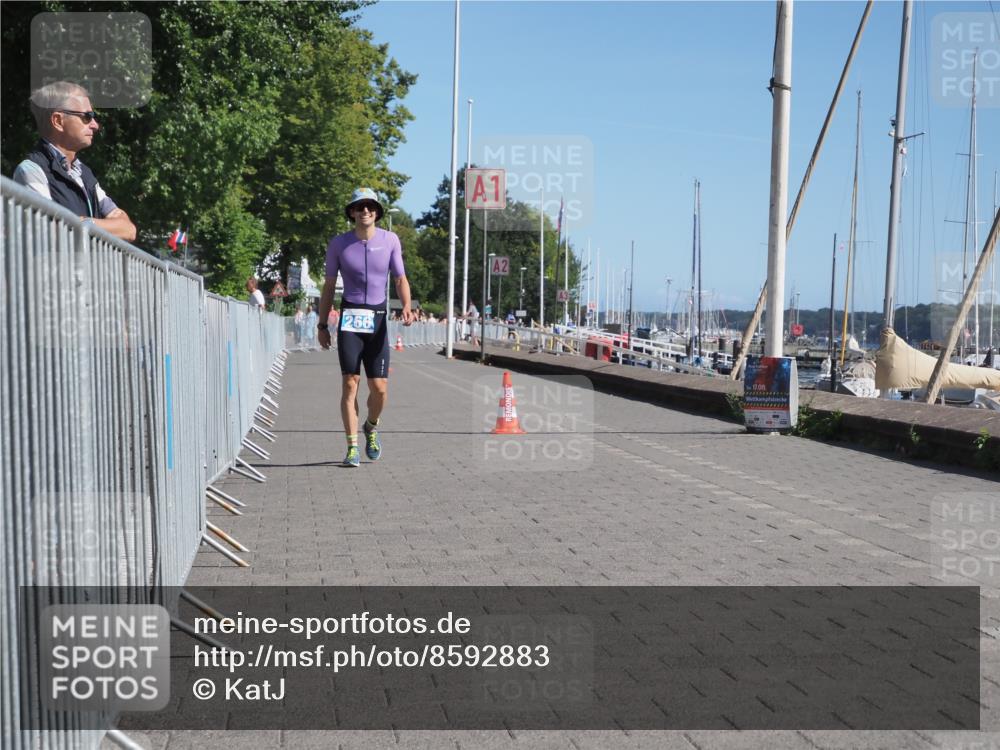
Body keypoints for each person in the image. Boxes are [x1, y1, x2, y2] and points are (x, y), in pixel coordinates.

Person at [318, 188, 413, 467]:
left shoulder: (390, 240)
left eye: (370, 206)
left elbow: (400, 278)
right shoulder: (339, 244)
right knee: (350, 383)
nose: (365, 211)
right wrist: (322, 325)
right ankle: (352, 447)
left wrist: (406, 305)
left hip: (378, 318)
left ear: (377, 212)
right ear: (352, 212)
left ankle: (371, 426)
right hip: (350, 318)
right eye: (360, 207)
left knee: (379, 388)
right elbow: (328, 286)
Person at [13, 81, 136, 241]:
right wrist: (93, 226)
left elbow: (128, 230)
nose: (95, 125)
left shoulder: (84, 174)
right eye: (87, 116)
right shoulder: (31, 171)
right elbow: (50, 230)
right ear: (58, 121)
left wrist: (85, 223)